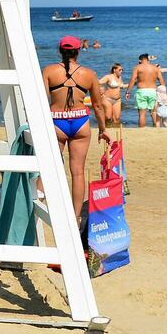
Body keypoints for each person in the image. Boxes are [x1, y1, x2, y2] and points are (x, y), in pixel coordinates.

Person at [43, 35, 109, 222]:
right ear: (78, 51)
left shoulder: (49, 71)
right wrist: (103, 128)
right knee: (78, 171)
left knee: (51, 167)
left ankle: (41, 204)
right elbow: (97, 105)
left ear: (60, 50)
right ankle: (76, 216)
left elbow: (41, 100)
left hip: (56, 121)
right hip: (80, 122)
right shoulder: (89, 74)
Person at [130, 54, 164, 127]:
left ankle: (142, 130)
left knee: (142, 113)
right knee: (154, 112)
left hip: (141, 91)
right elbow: (161, 81)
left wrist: (128, 91)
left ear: (140, 60)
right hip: (153, 91)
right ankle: (156, 128)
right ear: (148, 59)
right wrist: (163, 93)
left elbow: (133, 79)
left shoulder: (137, 67)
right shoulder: (155, 68)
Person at [99, 63, 125, 131]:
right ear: (114, 70)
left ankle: (115, 129)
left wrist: (133, 84)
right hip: (107, 99)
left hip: (117, 100)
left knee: (117, 118)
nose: (121, 71)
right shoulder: (108, 77)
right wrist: (100, 90)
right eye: (120, 70)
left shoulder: (120, 78)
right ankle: (105, 128)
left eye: (122, 70)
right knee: (108, 117)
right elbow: (98, 82)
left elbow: (120, 86)